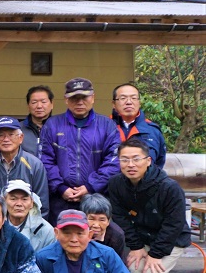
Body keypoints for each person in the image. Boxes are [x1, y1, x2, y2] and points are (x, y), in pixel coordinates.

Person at [107, 137, 190, 273]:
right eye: (124, 160)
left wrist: (156, 253)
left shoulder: (168, 187)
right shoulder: (117, 184)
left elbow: (174, 223)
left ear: (149, 160)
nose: (131, 164)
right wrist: (135, 247)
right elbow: (120, 218)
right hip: (142, 239)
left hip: (171, 240)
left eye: (136, 159)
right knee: (135, 271)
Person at [39, 78, 121, 222]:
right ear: (66, 99)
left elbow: (114, 161)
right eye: (74, 98)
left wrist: (91, 186)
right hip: (60, 198)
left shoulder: (107, 126)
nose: (79, 102)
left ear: (93, 97)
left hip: (96, 198)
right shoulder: (52, 125)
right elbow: (44, 160)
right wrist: (60, 187)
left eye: (84, 97)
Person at [0, 116, 50, 219]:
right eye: (1, 135)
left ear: (21, 138)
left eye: (11, 135)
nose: (6, 139)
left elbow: (42, 204)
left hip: (26, 223)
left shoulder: (35, 165)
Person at [111, 83, 167, 168]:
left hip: (145, 181)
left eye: (133, 98)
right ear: (113, 104)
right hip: (110, 180)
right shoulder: (104, 128)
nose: (129, 102)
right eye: (123, 98)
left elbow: (159, 162)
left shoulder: (152, 130)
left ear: (139, 103)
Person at [2, 179, 55, 252]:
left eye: (24, 199)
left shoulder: (46, 231)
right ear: (4, 201)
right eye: (13, 199)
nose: (19, 204)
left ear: (32, 203)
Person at [80, 193, 126, 258]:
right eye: (91, 219)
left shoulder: (117, 236)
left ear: (108, 221)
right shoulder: (76, 231)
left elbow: (118, 264)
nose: (96, 225)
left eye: (102, 220)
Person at [20, 85, 54, 157]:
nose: (39, 106)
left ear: (52, 104)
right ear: (28, 106)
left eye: (43, 102)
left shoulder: (60, 128)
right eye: (34, 102)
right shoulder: (18, 129)